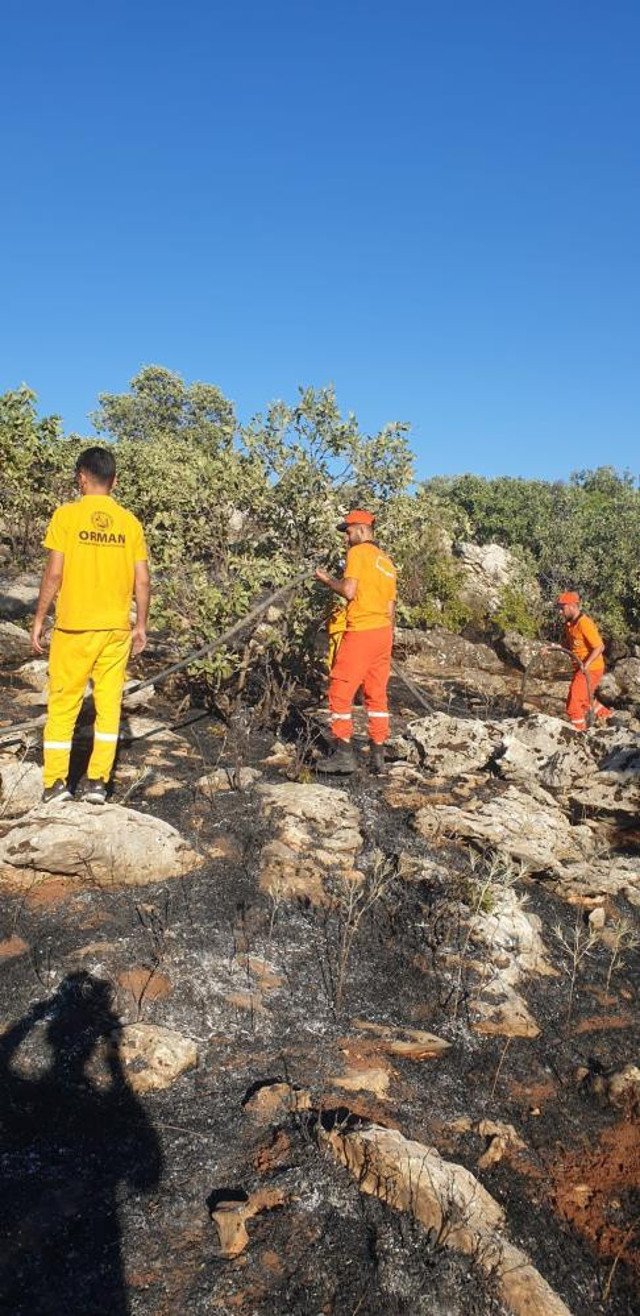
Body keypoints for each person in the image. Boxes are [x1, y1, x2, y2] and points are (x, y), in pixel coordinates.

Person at [30, 447, 150, 804]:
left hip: (74, 629)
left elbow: (54, 573)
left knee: (64, 705)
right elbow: (142, 580)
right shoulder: (129, 522)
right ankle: (98, 783)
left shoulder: (67, 516)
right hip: (115, 629)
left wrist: (38, 619)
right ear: (113, 480)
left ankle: (55, 785)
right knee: (109, 706)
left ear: (81, 477)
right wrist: (140, 624)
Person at [314, 509, 396, 774]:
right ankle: (378, 758)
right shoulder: (386, 562)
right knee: (376, 695)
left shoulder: (358, 553)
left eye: (348, 532)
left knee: (339, 688)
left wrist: (327, 579)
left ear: (361, 530)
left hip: (362, 630)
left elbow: (349, 591)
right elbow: (391, 608)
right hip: (384, 634)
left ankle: (344, 755)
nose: (346, 539)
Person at [551, 591, 612, 731]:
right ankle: (609, 717)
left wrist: (587, 664)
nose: (560, 612)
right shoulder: (570, 624)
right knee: (584, 701)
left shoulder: (585, 623)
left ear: (572, 606)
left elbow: (599, 647)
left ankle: (579, 733)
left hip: (591, 668)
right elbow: (571, 645)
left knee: (573, 704)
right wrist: (554, 647)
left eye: (562, 608)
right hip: (582, 667)